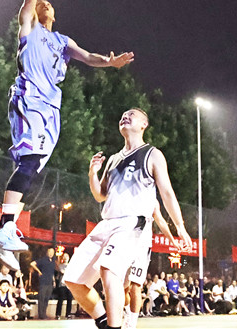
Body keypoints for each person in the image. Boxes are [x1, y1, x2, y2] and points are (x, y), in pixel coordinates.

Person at [0, 0, 135, 272]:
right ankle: (3, 229)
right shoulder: (29, 28)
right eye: (41, 3)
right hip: (30, 98)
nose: (46, 3)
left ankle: (6, 229)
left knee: (31, 167)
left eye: (49, 4)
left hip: (51, 109)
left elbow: (90, 57)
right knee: (29, 161)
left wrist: (110, 63)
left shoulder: (62, 41)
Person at [63, 108, 192, 329]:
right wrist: (92, 173)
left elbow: (167, 193)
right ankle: (105, 322)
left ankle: (118, 326)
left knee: (110, 271)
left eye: (131, 114)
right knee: (73, 279)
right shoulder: (114, 159)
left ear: (143, 124)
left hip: (132, 223)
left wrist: (179, 226)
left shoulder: (152, 154)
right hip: (107, 223)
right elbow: (100, 195)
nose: (125, 116)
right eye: (123, 114)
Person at [123, 201, 181, 329]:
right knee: (122, 287)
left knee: (135, 285)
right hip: (124, 243)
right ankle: (127, 312)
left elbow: (160, 220)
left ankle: (132, 323)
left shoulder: (152, 201)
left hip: (142, 246)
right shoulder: (125, 194)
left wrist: (172, 240)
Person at [29, 248, 56, 319]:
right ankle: (41, 314)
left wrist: (53, 281)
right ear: (47, 252)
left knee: (47, 299)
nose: (51, 253)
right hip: (43, 282)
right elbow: (32, 264)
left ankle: (44, 313)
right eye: (50, 252)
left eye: (52, 252)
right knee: (42, 298)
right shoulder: (43, 260)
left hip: (50, 282)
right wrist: (39, 271)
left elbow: (52, 273)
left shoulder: (53, 262)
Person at [54, 251, 73, 320]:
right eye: (64, 256)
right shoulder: (60, 265)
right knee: (60, 299)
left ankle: (68, 314)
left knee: (69, 299)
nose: (65, 258)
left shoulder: (71, 266)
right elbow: (61, 271)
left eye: (67, 256)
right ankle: (58, 314)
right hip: (62, 285)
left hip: (69, 285)